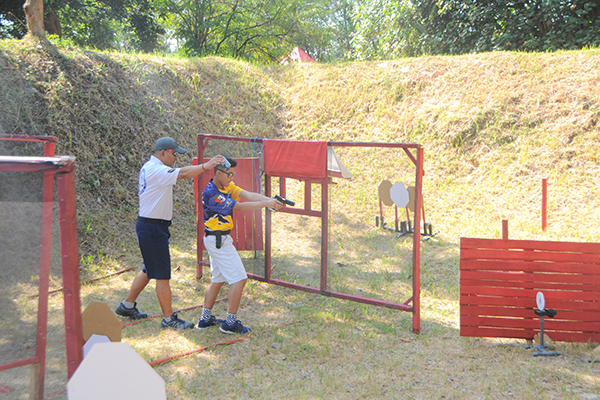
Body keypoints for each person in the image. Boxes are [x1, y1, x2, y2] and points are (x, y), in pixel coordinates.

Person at [115, 137, 224, 329]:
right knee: (162, 275)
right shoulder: (156, 170)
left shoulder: (150, 167)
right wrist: (206, 166)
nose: (176, 157)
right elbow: (183, 173)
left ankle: (127, 306)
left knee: (149, 269)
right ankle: (168, 319)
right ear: (163, 152)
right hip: (153, 228)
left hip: (150, 226)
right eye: (174, 153)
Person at [197, 156, 283, 334]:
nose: (232, 177)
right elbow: (240, 207)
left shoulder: (226, 186)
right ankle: (230, 323)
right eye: (229, 174)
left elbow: (248, 195)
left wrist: (270, 200)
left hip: (217, 239)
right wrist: (266, 203)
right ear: (218, 173)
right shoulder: (212, 193)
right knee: (239, 279)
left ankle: (205, 318)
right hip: (219, 241)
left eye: (233, 174)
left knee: (218, 280)